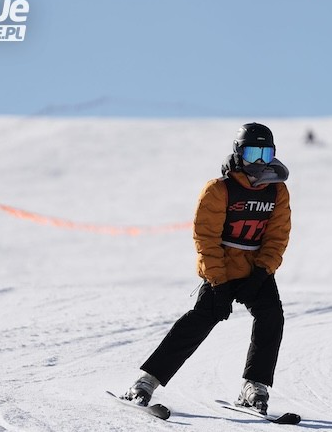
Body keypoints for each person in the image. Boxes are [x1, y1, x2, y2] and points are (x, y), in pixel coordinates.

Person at [123, 123, 291, 414]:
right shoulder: (219, 189)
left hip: (256, 270)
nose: (259, 162)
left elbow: (278, 237)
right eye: (252, 153)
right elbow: (206, 239)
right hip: (221, 270)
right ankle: (146, 381)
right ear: (239, 153)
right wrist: (219, 283)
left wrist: (261, 273)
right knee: (200, 319)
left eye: (265, 154)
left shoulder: (277, 191)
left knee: (271, 316)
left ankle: (254, 385)